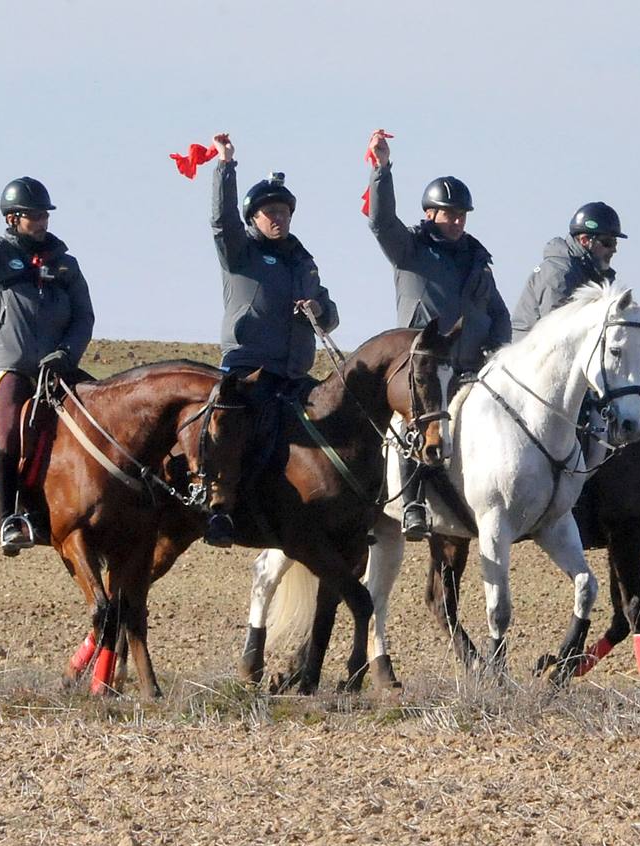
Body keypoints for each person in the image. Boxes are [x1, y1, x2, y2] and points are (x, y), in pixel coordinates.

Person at [365, 129, 510, 539]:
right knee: (412, 425)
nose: (458, 220)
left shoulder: (478, 260)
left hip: (470, 369)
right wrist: (382, 168)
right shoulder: (409, 249)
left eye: (462, 213)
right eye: (450, 213)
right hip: (423, 369)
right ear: (430, 214)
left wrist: (498, 350)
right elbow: (379, 222)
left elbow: (497, 312)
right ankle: (411, 505)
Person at [0, 175, 94, 555]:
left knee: (100, 420)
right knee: (9, 433)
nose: (42, 221)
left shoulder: (67, 265)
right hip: (13, 370)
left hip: (59, 368)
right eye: (34, 215)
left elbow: (83, 318)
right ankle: (11, 516)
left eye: (44, 215)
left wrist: (65, 354)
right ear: (13, 219)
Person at [207, 131, 338, 547]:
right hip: (249, 369)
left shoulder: (303, 261)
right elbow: (220, 221)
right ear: (254, 218)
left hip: (295, 373)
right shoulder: (239, 251)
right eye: (269, 212)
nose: (278, 217)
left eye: (283, 211)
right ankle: (221, 512)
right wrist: (225, 167)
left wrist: (317, 310)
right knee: (239, 436)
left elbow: (330, 312)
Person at [511, 202, 626, 337]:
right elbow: (556, 331)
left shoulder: (592, 273)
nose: (614, 250)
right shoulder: (559, 273)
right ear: (584, 240)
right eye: (608, 243)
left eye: (615, 243)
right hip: (529, 351)